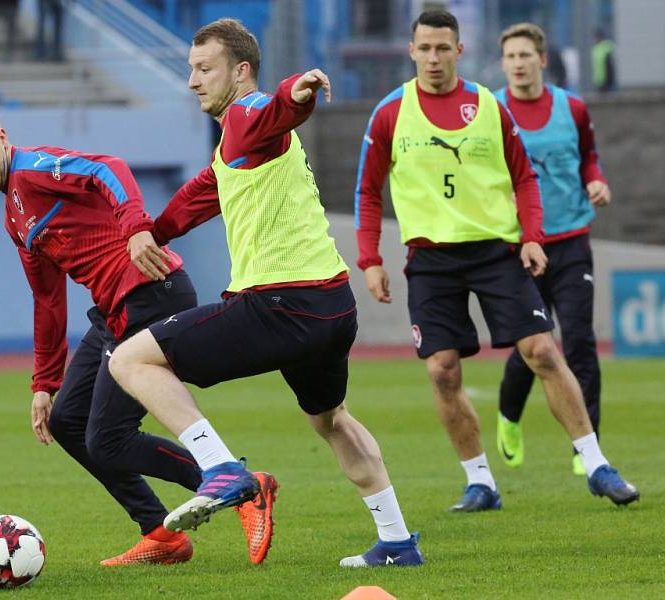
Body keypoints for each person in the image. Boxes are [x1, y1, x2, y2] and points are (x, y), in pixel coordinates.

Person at [108, 18, 425, 568]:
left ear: (241, 71)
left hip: (280, 304)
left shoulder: (249, 113)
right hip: (331, 305)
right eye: (191, 69)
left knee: (131, 359)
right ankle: (396, 541)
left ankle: (220, 468)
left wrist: (298, 88)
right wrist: (151, 233)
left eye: (204, 69)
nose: (192, 81)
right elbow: (201, 192)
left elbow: (280, 107)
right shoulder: (235, 143)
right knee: (330, 421)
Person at [0, 97, 275, 567]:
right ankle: (161, 533)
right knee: (66, 422)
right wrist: (43, 384)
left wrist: (136, 227)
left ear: (2, 138)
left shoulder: (34, 170)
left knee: (108, 439)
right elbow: (48, 301)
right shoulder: (15, 217)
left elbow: (107, 168)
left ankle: (239, 484)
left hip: (151, 291)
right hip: (115, 312)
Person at [354, 10, 638, 511]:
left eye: (444, 48)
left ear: (459, 51)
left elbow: (524, 177)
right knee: (442, 370)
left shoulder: (487, 106)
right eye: (425, 48)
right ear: (412, 50)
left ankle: (596, 464)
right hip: (429, 257)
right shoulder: (390, 112)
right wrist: (370, 258)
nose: (434, 58)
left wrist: (531, 236)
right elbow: (368, 191)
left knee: (544, 352)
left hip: (495, 252)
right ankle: (480, 482)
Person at [494, 23, 611, 476]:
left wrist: (596, 181)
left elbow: (589, 156)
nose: (519, 63)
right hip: (521, 247)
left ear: (542, 60)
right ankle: (508, 418)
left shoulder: (573, 108)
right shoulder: (491, 110)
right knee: (532, 347)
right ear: (502, 63)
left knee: (580, 341)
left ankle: (589, 447)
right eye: (511, 57)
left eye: (526, 55)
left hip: (571, 241)